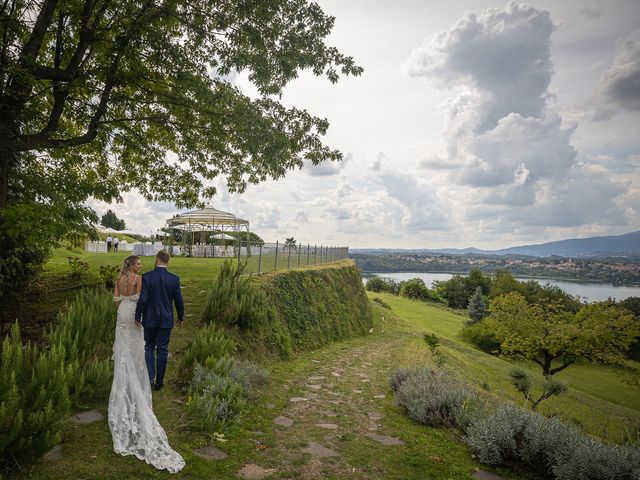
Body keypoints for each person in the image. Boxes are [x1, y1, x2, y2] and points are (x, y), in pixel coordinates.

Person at [108, 255, 185, 473]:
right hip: (146, 317)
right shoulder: (146, 279)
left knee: (134, 348)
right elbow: (144, 299)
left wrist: (127, 306)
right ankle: (153, 379)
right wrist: (180, 316)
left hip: (124, 314)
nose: (141, 265)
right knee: (149, 349)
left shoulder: (120, 280)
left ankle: (138, 374)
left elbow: (116, 301)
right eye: (138, 263)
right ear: (133, 265)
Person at [135, 250, 184, 391]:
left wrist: (138, 316)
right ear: (168, 261)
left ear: (157, 259)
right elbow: (179, 301)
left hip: (150, 319)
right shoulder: (174, 279)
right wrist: (180, 317)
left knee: (149, 346)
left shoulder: (146, 277)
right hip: (166, 320)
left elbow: (143, 299)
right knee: (162, 350)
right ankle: (159, 382)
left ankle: (150, 377)